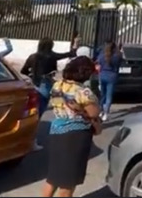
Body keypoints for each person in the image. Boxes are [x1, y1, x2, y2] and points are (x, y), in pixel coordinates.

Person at [41, 56, 101, 198]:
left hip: (57, 131)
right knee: (68, 182)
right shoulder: (83, 92)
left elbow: (57, 103)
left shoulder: (57, 86)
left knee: (53, 178)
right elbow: (94, 113)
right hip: (76, 137)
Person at [97, 41, 123, 121]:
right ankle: (106, 113)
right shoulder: (117, 56)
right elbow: (120, 62)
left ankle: (100, 111)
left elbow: (98, 63)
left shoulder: (102, 55)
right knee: (109, 95)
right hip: (112, 76)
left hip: (103, 75)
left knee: (102, 95)